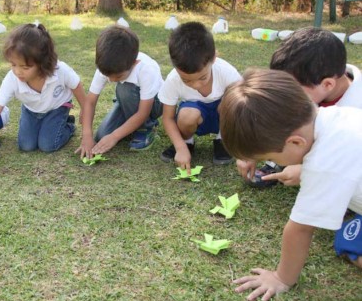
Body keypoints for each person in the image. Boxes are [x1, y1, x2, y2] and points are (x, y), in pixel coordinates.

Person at [219, 69, 362, 301]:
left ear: (295, 142)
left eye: (270, 157)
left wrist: (282, 278)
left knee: (349, 242)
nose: (271, 162)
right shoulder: (337, 117)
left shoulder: (323, 164)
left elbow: (300, 228)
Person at [237, 27, 362, 187]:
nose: (286, 95)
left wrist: (307, 171)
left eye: (293, 89)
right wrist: (254, 150)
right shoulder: (313, 80)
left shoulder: (356, 112)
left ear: (328, 84)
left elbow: (351, 160)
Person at [0, 23, 85, 165]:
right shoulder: (12, 78)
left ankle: (68, 125)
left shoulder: (60, 70)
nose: (18, 71)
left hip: (56, 108)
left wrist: (84, 111)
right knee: (26, 146)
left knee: (47, 145)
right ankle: (46, 126)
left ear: (43, 63)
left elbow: (78, 89)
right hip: (31, 109)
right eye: (13, 65)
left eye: (25, 67)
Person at [158, 22, 241, 171]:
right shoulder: (172, 80)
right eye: (186, 80)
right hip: (194, 115)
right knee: (187, 115)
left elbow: (243, 107)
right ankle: (187, 142)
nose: (196, 85)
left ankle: (222, 140)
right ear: (175, 67)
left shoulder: (227, 72)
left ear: (214, 58)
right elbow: (168, 118)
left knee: (234, 101)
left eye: (202, 78)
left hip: (224, 117)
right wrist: (180, 147)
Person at [76, 26, 163, 158]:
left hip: (153, 105)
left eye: (118, 77)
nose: (111, 80)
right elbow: (90, 102)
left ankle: (146, 128)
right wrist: (87, 135)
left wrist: (115, 136)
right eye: (108, 75)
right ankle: (130, 124)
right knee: (102, 136)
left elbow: (143, 112)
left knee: (124, 88)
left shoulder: (146, 69)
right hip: (126, 102)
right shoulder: (106, 64)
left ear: (134, 63)